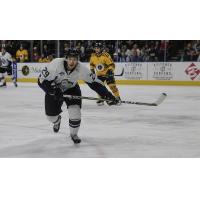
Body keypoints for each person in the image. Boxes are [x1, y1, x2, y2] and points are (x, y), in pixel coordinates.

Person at [38, 49, 119, 144]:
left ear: (77, 60)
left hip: (72, 89)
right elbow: (41, 80)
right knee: (51, 117)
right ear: (66, 59)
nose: (72, 62)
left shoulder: (81, 69)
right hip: (54, 89)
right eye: (70, 59)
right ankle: (57, 121)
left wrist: (107, 95)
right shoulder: (56, 64)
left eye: (75, 59)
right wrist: (53, 91)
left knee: (75, 113)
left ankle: (73, 134)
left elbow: (95, 83)